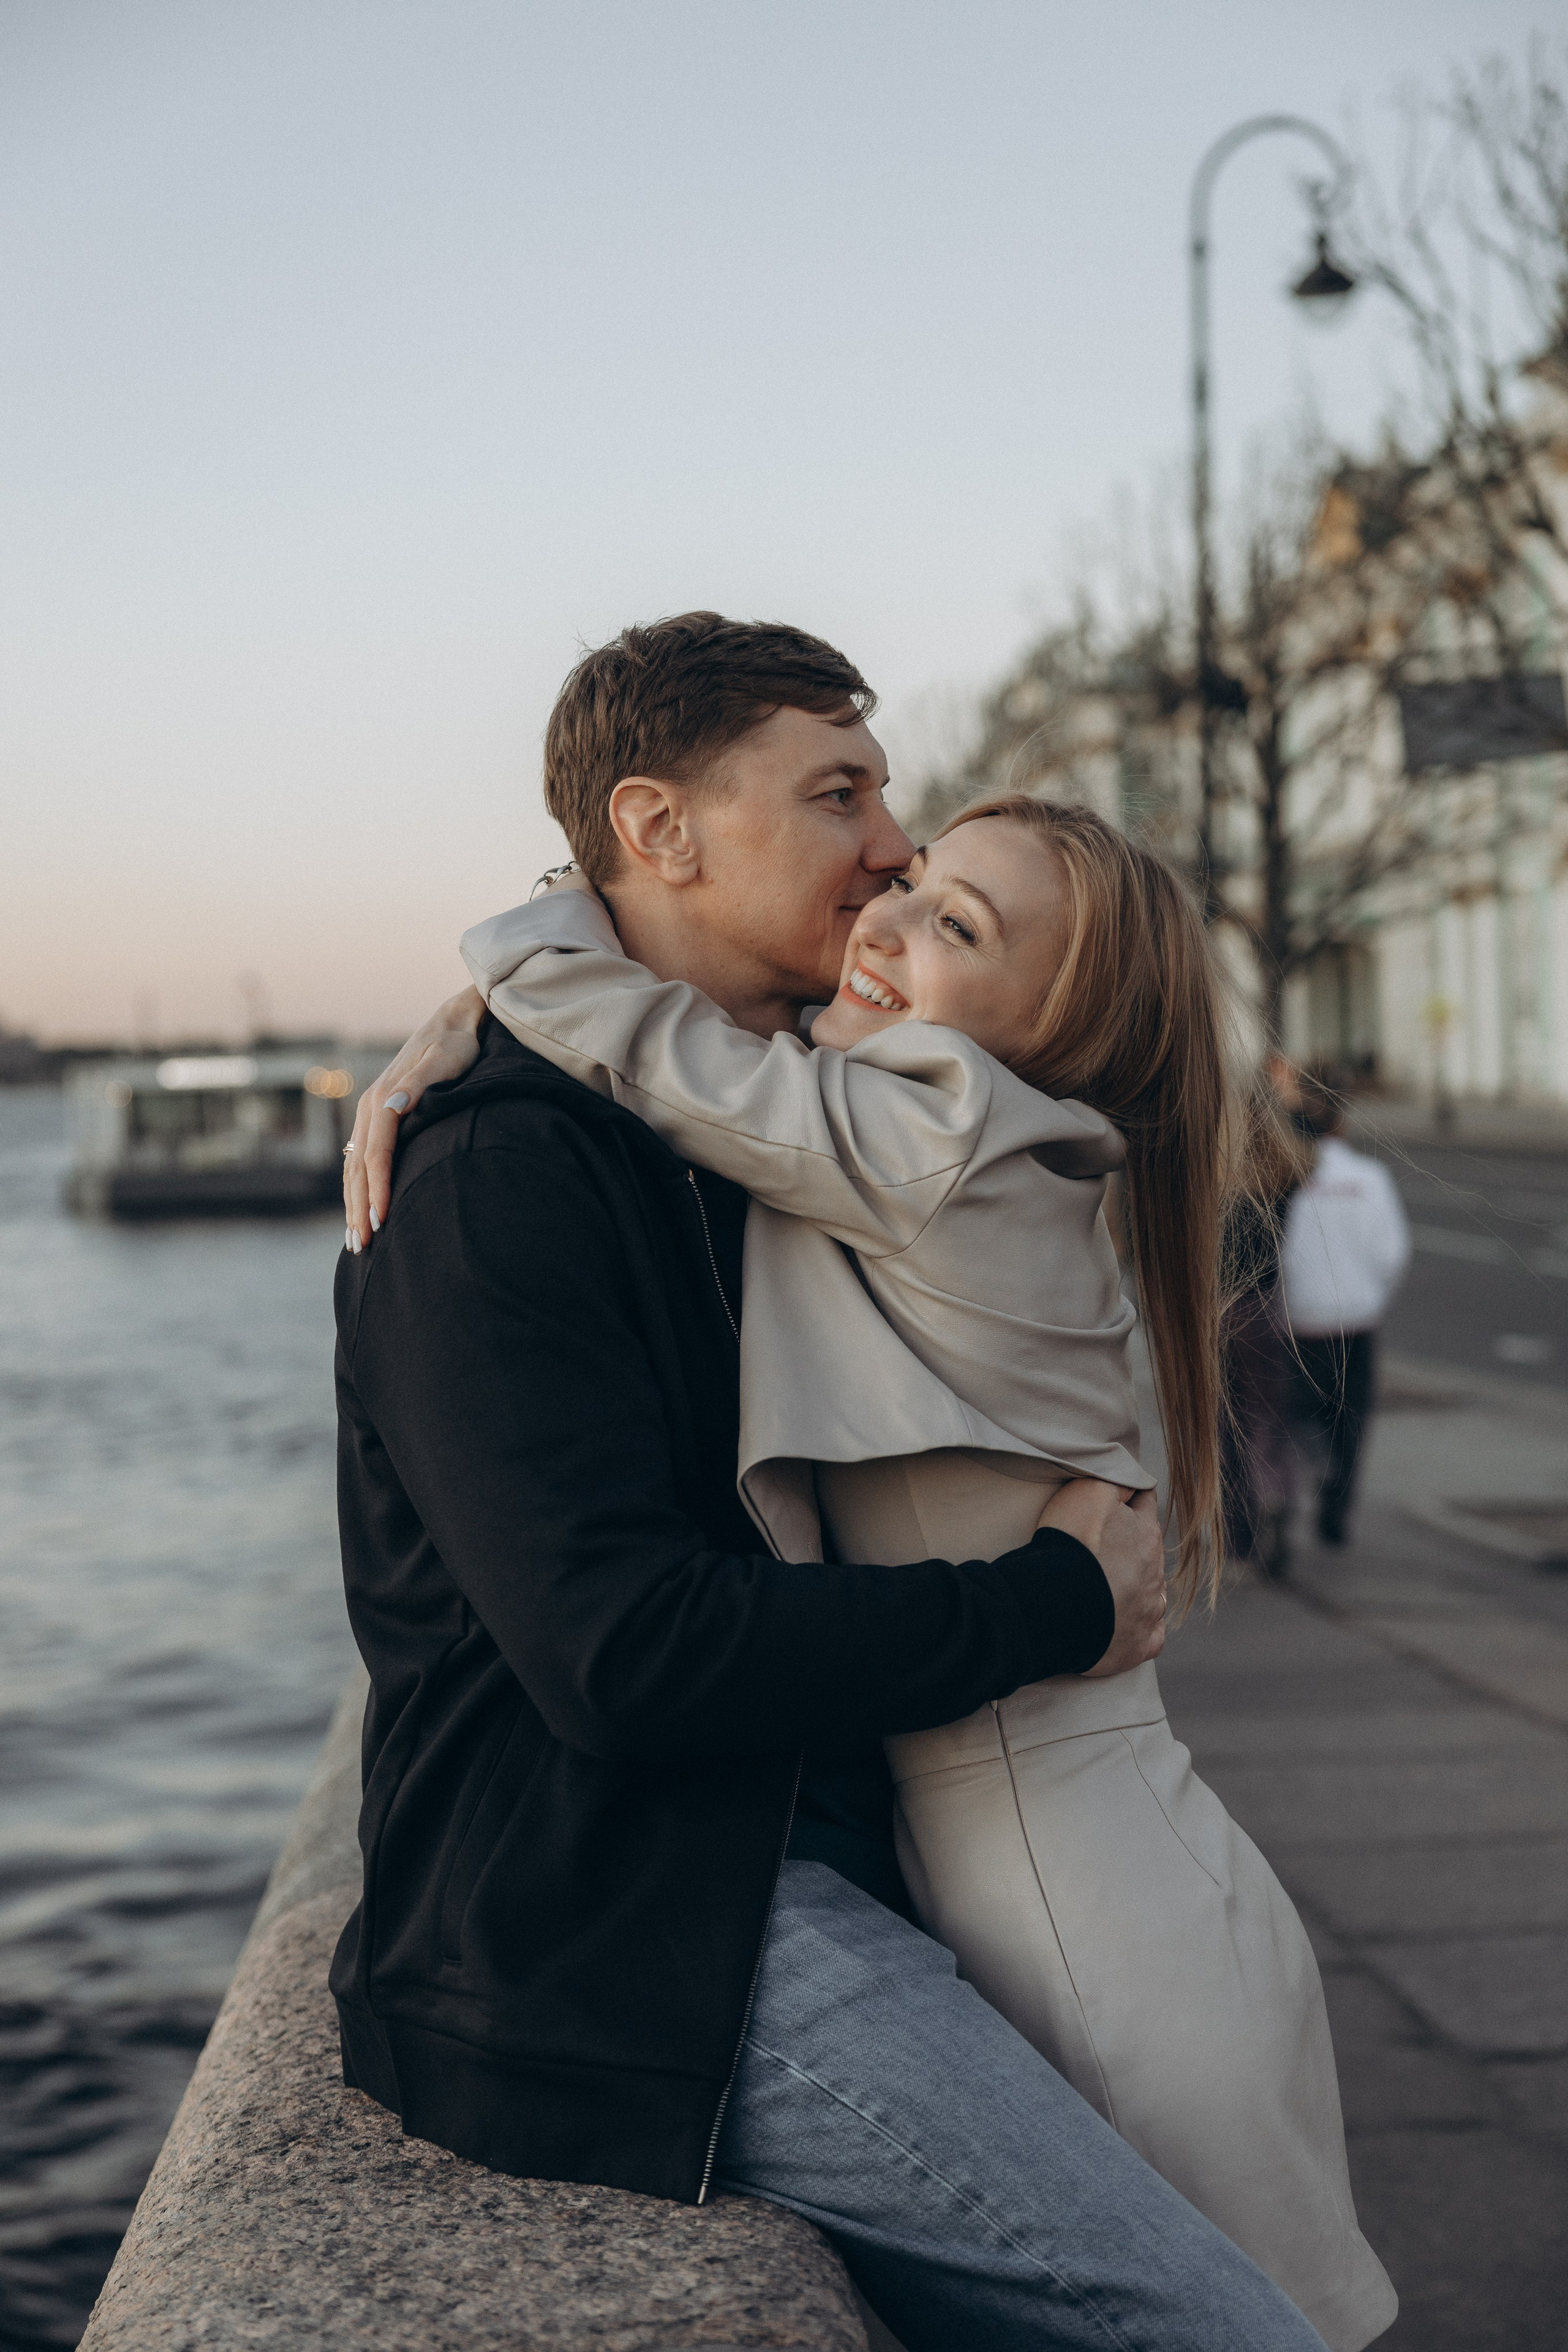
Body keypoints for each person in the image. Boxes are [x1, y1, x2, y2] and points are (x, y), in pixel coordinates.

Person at [337, 612, 1332, 2351]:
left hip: (820, 1856)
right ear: (660, 834)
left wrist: (493, 985)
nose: (887, 848)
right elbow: (620, 1655)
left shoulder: (793, 1128)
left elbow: (664, 1051)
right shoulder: (503, 1183)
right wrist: (1050, 1601)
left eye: (912, 843)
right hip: (648, 1931)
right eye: (843, 796)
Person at [1279, 1078, 1411, 1548]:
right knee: (1350, 1419)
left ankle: (1290, 1495)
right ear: (1340, 1124)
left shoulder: (1284, 1176)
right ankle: (1336, 1507)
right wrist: (1372, 1299)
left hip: (1297, 1323)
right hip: (1355, 1322)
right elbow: (1393, 1253)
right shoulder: (1370, 1178)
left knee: (1297, 1417)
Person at [1221, 1084, 1312, 1580]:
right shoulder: (1288, 1174)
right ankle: (1277, 1495)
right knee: (1268, 1420)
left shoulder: (1215, 1178)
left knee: (1226, 1426)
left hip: (1217, 1312)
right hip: (1267, 1308)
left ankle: (1240, 1537)